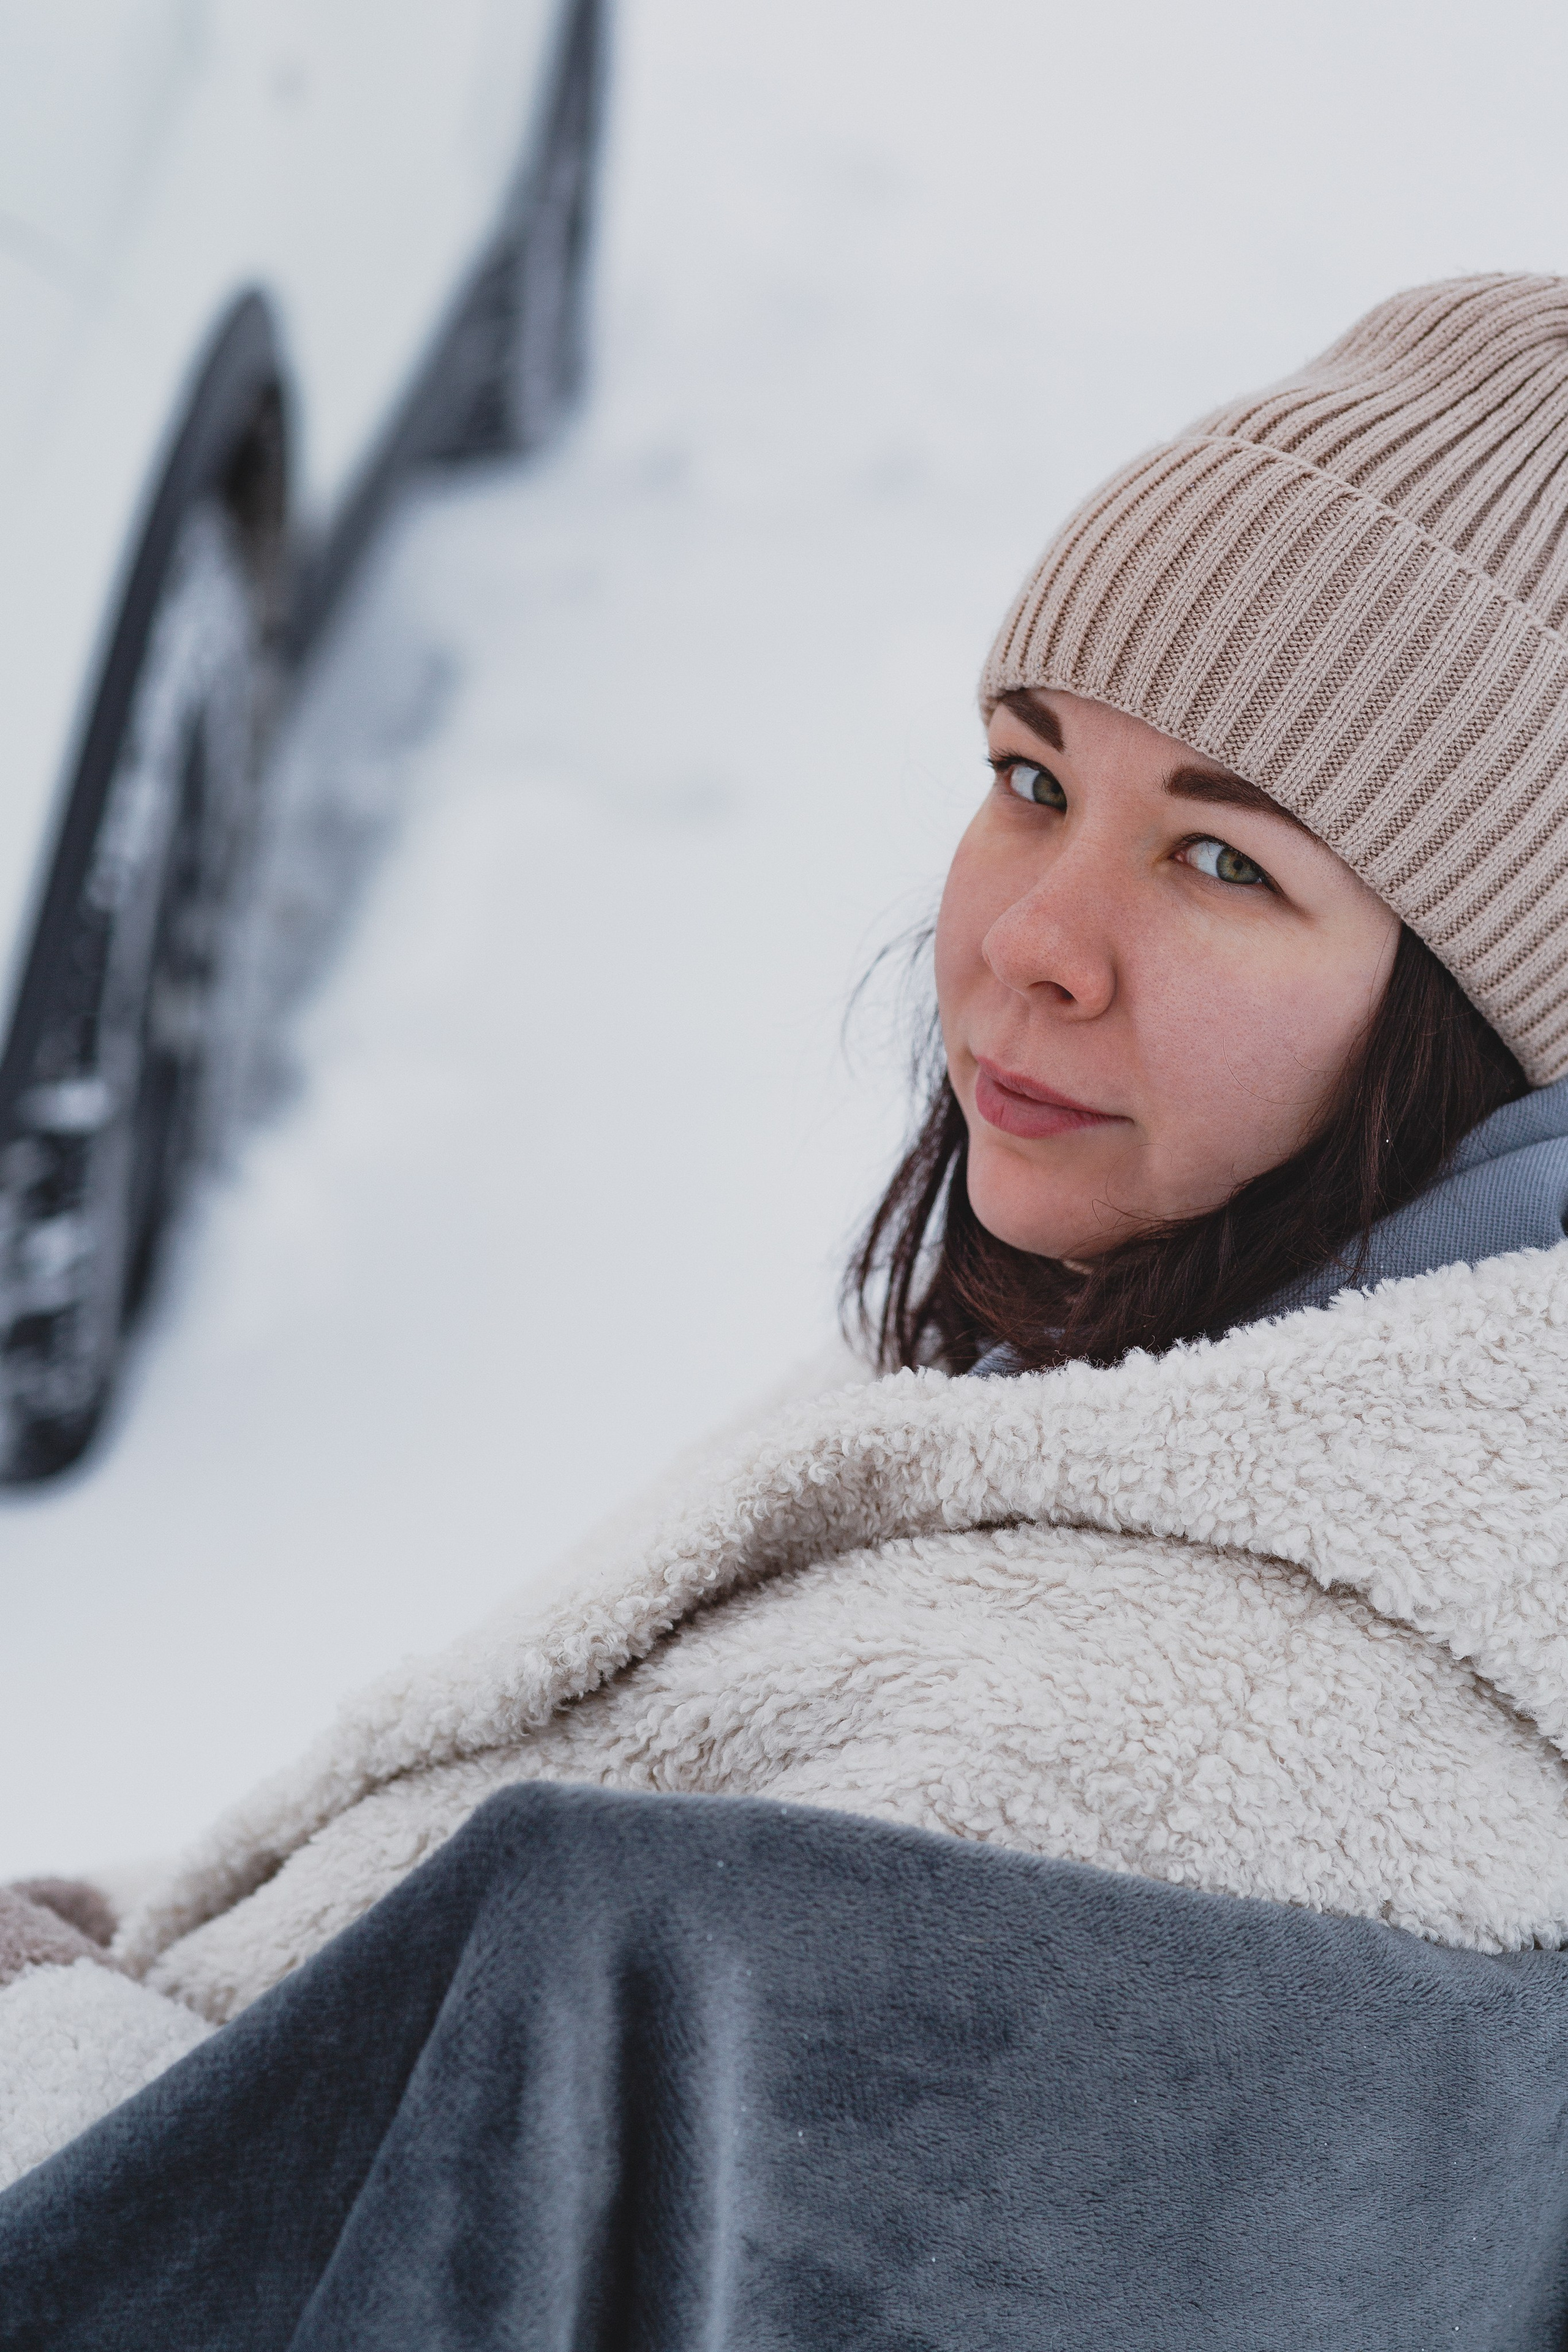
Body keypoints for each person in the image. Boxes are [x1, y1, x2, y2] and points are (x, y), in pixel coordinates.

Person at [8, 272, 1568, 2345]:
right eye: (1032, 778)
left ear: (1489, 1024)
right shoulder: (1186, 1402)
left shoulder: (1142, 1748)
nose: (1030, 940)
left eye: (1222, 866)